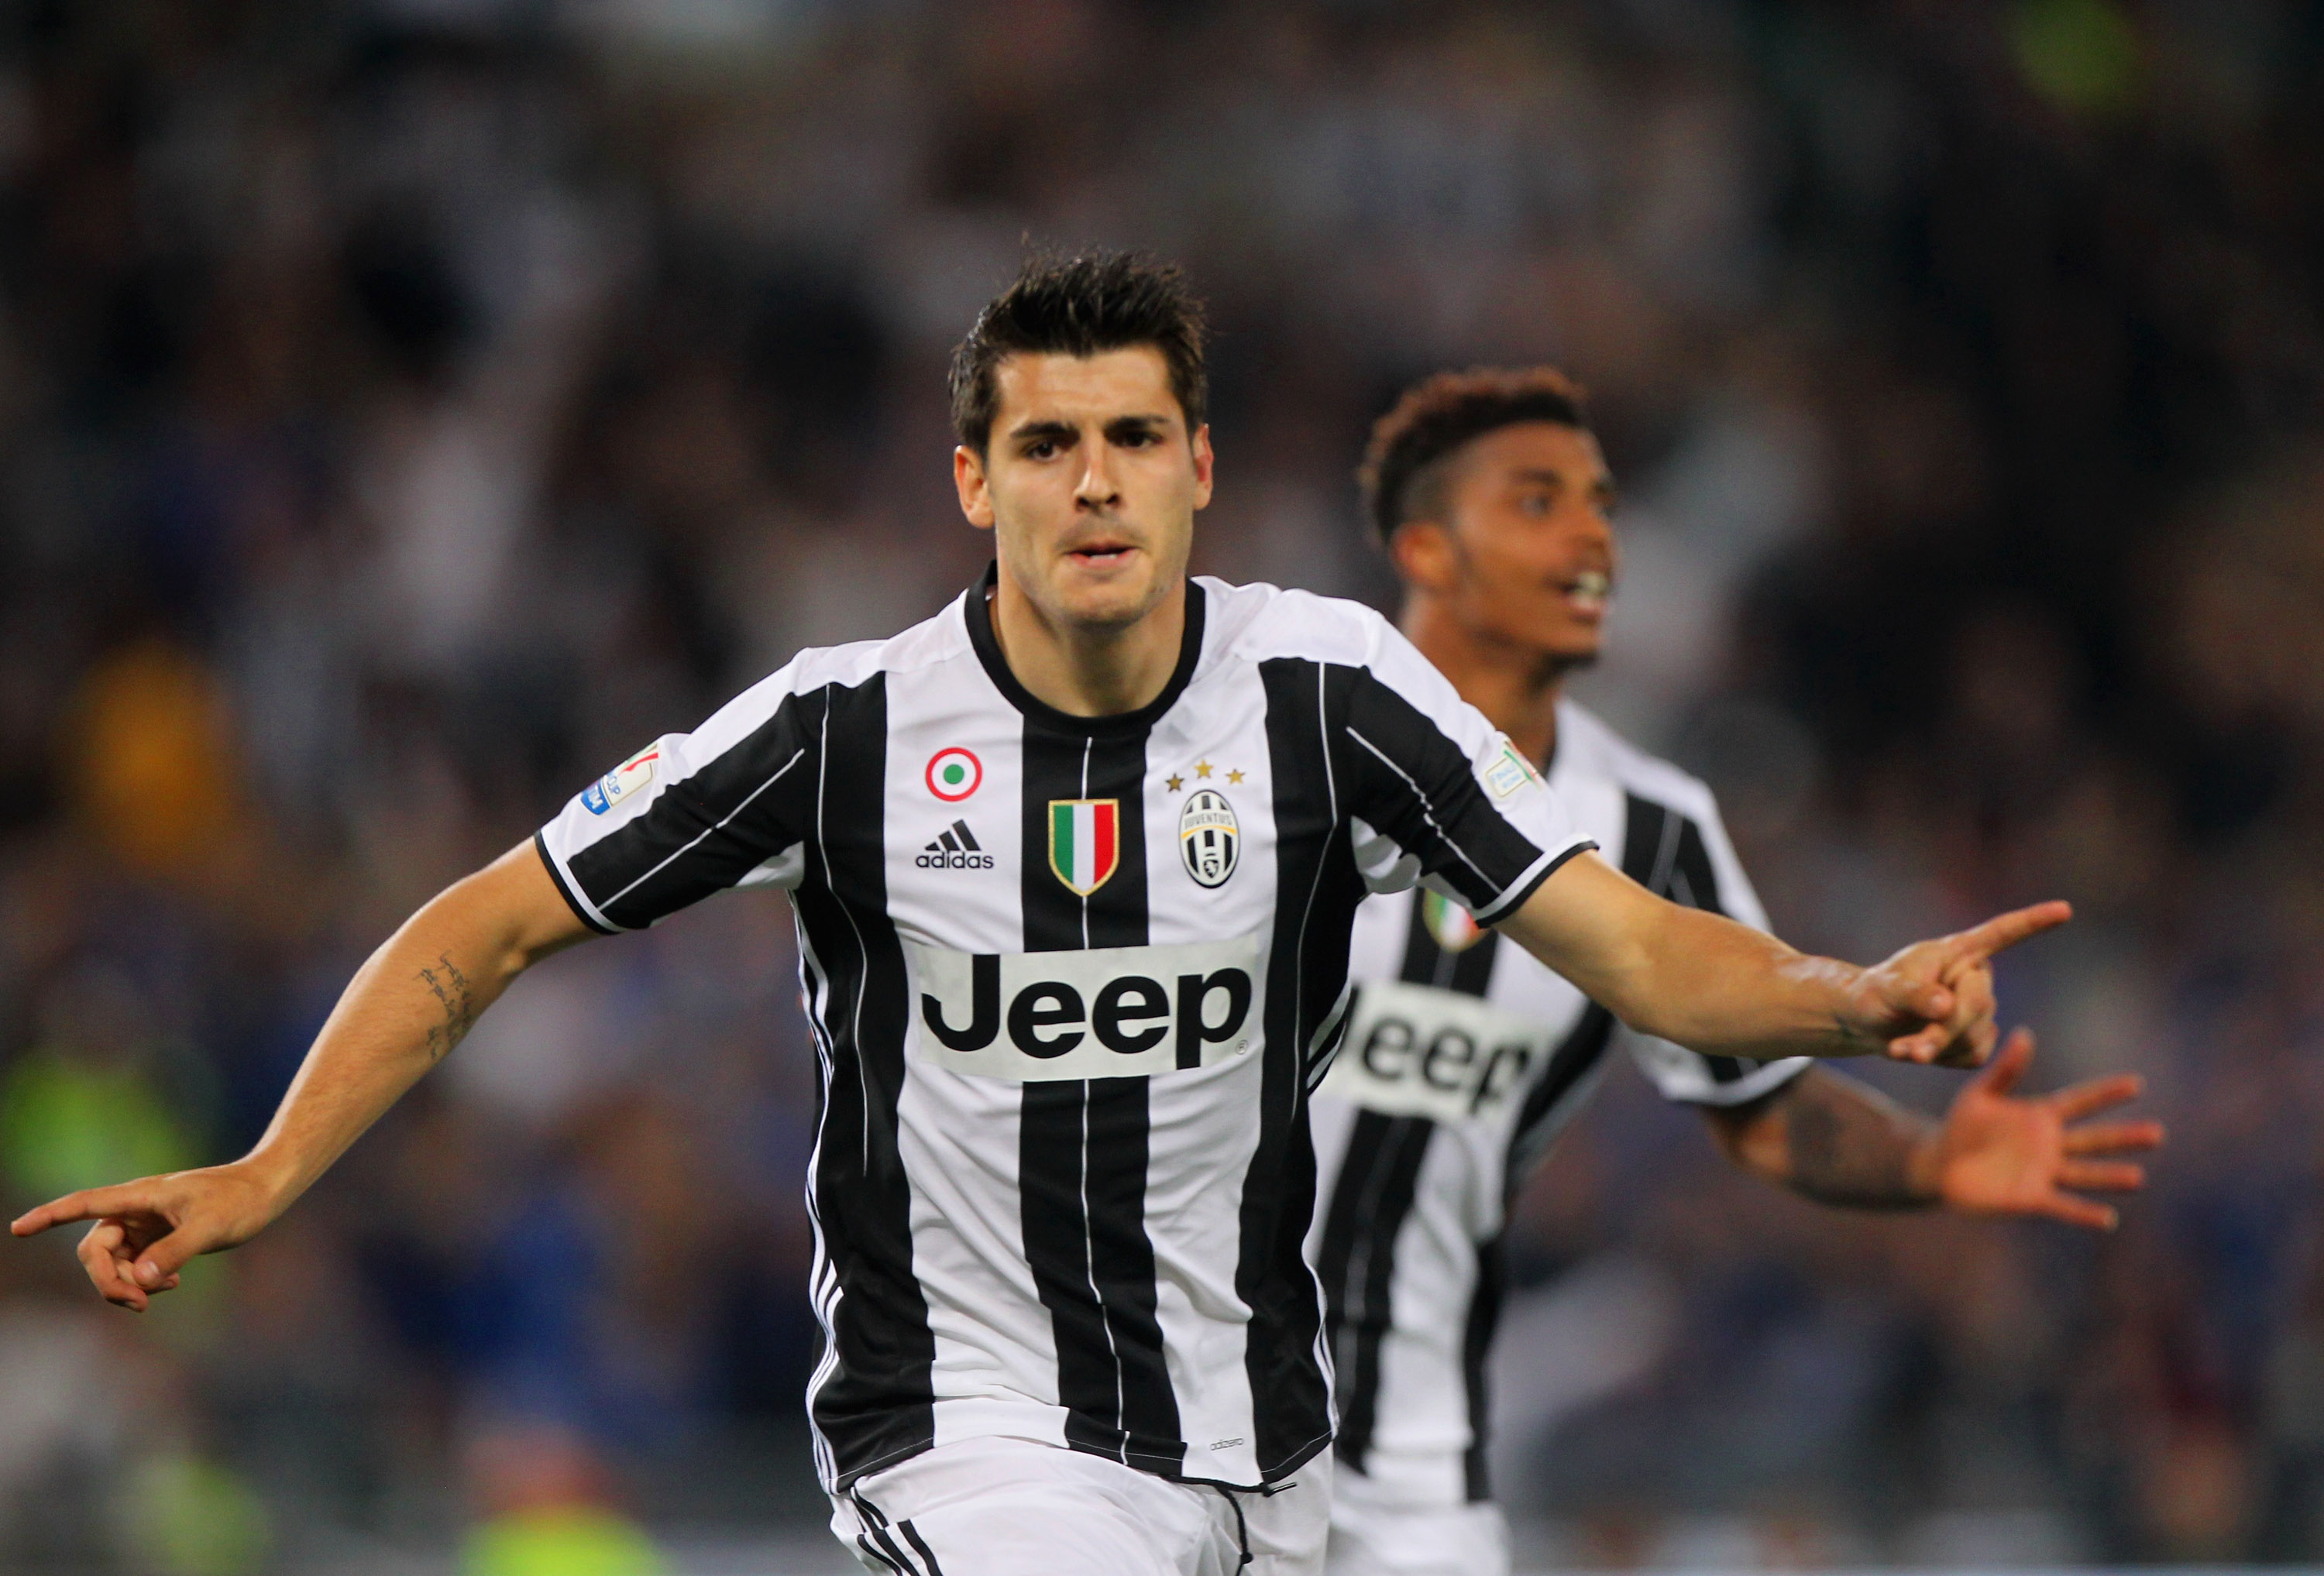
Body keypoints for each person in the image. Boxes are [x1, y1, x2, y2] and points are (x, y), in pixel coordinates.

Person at [15, 256, 2071, 1576]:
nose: (1092, 481)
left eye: (1130, 440)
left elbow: (1632, 945)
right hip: (971, 1434)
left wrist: (1851, 991)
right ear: (972, 483)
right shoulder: (839, 730)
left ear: (1200, 468)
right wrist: (268, 1172)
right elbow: (484, 926)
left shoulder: (1333, 696)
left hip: (1269, 1457)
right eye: (1045, 443)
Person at [1308, 367, 2167, 1576]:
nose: (1593, 538)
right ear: (1427, 551)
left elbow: (1759, 1107)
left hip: (1412, 1471)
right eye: (1539, 502)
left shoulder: (1650, 827)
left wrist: (1925, 1162)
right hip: (1171, 1426)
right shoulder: (1277, 766)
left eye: (1602, 505)